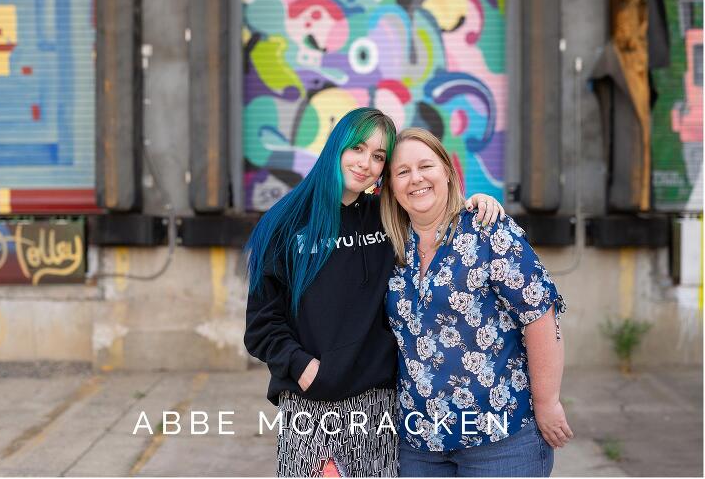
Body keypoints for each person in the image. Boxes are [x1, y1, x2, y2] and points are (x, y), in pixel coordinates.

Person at [243, 108, 504, 477]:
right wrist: (303, 368)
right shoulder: (284, 223)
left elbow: (431, 208)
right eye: (358, 148)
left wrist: (475, 204)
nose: (366, 163)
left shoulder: (387, 217)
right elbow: (261, 325)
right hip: (310, 404)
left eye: (379, 156)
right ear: (336, 147)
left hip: (380, 405)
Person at [379, 127, 572, 477]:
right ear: (391, 186)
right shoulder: (389, 246)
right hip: (419, 443)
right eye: (402, 172)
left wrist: (548, 403)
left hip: (501, 440)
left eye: (426, 166)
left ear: (448, 172)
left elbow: (540, 314)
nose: (416, 178)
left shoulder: (487, 230)